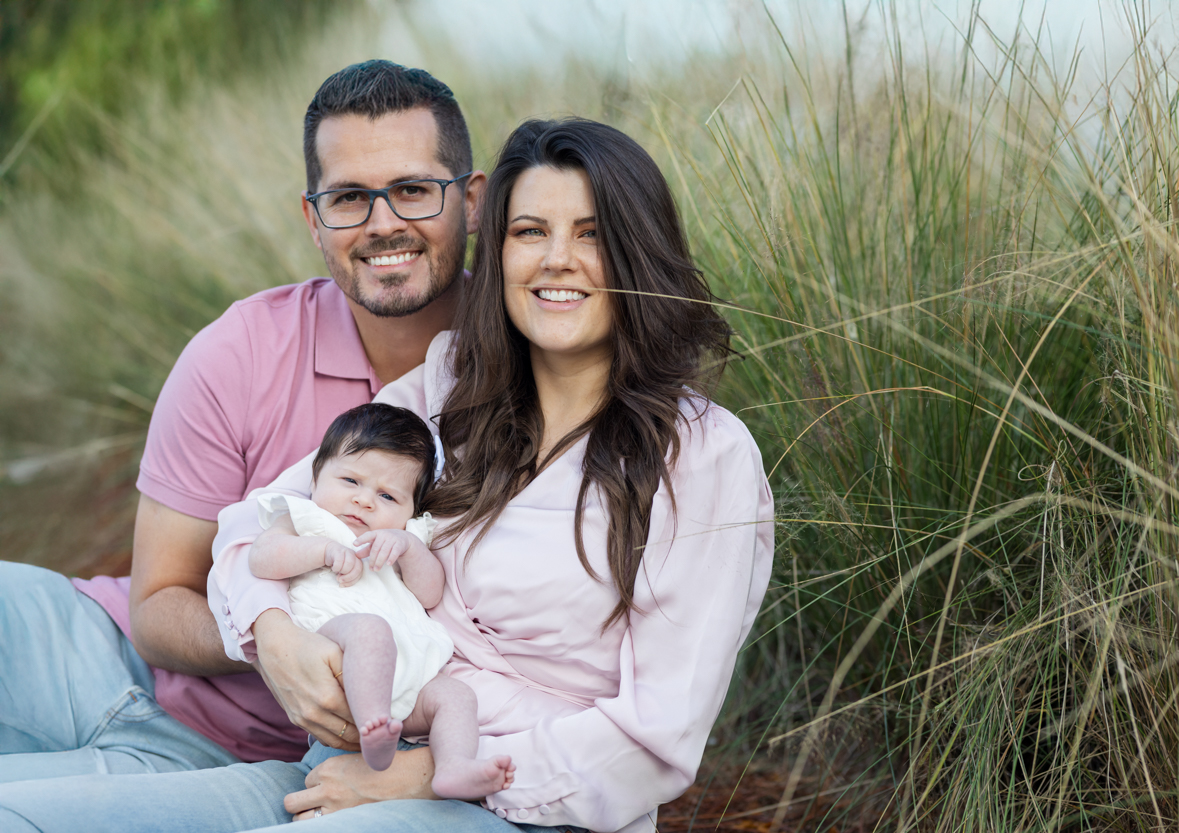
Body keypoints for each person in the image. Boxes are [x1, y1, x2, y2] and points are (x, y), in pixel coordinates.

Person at [0, 117, 775, 833]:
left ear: (640, 253)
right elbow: (260, 519)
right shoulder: (448, 390)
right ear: (497, 251)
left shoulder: (702, 457)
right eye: (529, 231)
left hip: (517, 804)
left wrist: (422, 777)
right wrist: (270, 630)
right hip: (334, 768)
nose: (556, 259)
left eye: (592, 234)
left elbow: (656, 739)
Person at [0, 60, 485, 780]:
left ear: (471, 201)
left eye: (413, 190)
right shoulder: (240, 349)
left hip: (231, 761)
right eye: (349, 197)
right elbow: (157, 603)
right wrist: (269, 639)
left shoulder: (523, 378)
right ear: (313, 218)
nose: (384, 224)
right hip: (93, 649)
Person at [244, 402, 514, 794]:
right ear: (316, 477)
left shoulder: (403, 539)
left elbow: (431, 592)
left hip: (410, 675)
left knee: (455, 696)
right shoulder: (305, 519)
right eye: (351, 481)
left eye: (388, 496)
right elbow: (261, 558)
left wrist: (408, 547)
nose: (365, 500)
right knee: (370, 630)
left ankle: (454, 767)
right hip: (336, 647)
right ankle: (373, 728)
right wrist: (319, 551)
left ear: (411, 510)